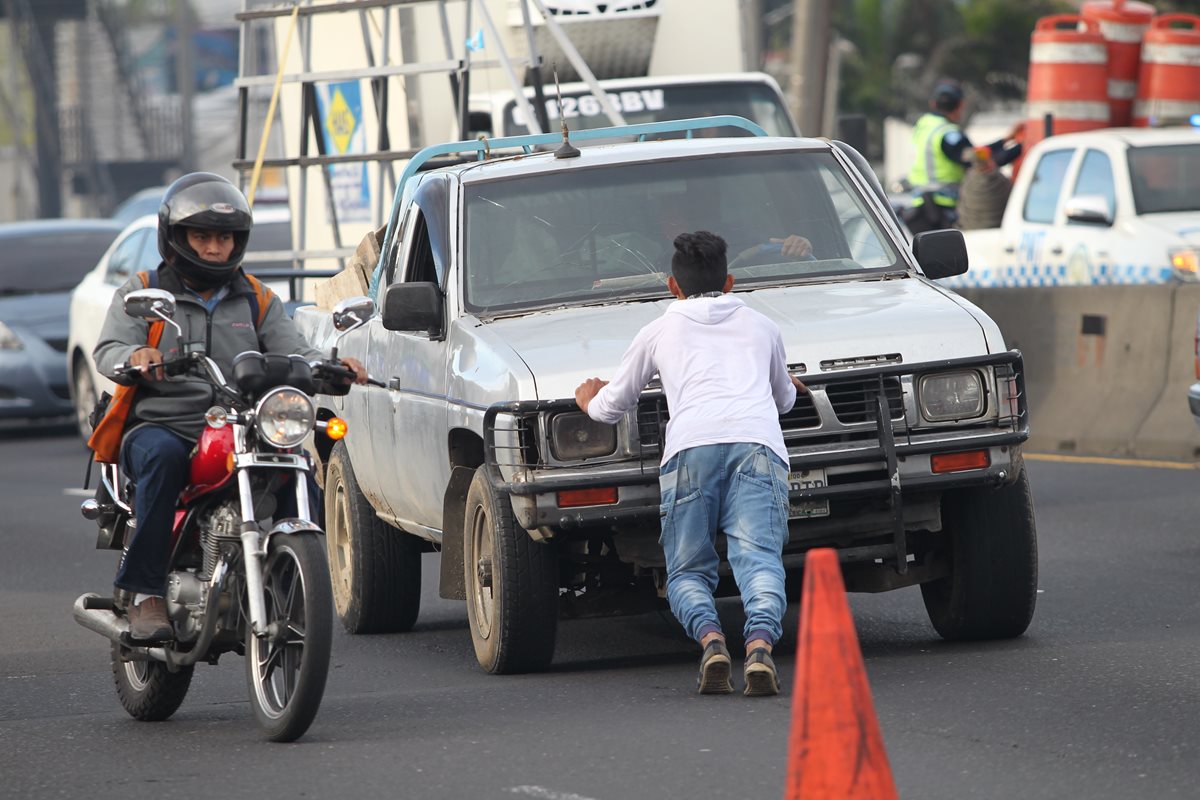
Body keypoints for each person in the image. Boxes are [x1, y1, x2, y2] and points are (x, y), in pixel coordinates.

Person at [93, 172, 368, 641]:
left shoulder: (257, 298)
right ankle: (145, 593)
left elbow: (292, 350)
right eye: (202, 236)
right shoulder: (145, 289)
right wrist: (135, 357)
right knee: (162, 459)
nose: (215, 248)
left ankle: (296, 580)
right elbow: (109, 349)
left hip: (240, 421)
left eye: (224, 237)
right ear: (176, 237)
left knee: (294, 464)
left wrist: (331, 365)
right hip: (164, 423)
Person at [574, 231, 805, 696]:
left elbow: (611, 408)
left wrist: (587, 399)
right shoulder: (763, 327)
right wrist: (786, 384)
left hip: (690, 450)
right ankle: (759, 645)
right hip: (757, 447)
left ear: (671, 286)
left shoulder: (658, 330)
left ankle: (711, 640)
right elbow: (783, 401)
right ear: (731, 282)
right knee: (760, 561)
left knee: (687, 571)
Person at [905, 82, 1023, 234]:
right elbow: (980, 162)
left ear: (933, 104)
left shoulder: (924, 125)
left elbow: (976, 154)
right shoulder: (948, 133)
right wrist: (1021, 147)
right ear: (960, 105)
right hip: (943, 207)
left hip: (920, 205)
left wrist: (1006, 140)